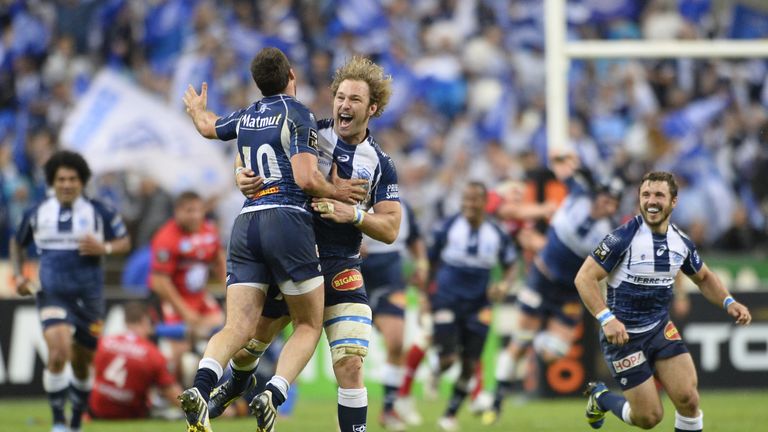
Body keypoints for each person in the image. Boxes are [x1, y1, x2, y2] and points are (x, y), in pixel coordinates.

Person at [208, 55, 401, 432]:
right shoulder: (311, 128)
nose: (344, 105)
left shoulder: (380, 163)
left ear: (372, 108)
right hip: (296, 256)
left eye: (355, 100)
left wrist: (356, 216)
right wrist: (239, 175)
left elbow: (391, 228)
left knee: (350, 363)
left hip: (343, 265)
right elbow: (253, 146)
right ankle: (236, 381)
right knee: (255, 338)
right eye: (340, 97)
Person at [575, 171, 752, 431]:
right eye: (645, 194)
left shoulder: (680, 242)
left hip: (659, 329)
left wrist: (729, 302)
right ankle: (600, 397)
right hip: (624, 338)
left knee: (688, 399)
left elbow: (703, 277)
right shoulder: (622, 238)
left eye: (659, 194)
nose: (651, 200)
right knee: (648, 417)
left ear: (673, 202)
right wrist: (606, 318)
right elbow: (584, 278)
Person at [482, 155, 622, 425]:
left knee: (552, 352)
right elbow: (561, 167)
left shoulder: (607, 235)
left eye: (613, 203)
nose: (608, 206)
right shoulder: (578, 196)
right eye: (606, 199)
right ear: (596, 196)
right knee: (518, 341)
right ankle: (496, 399)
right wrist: (561, 157)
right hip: (540, 279)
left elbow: (604, 271)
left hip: (568, 293)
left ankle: (532, 343)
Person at [10, 150, 130, 432]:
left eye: (72, 179)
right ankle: (59, 422)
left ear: (82, 181)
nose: (66, 184)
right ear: (53, 181)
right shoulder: (39, 211)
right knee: (58, 353)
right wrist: (18, 275)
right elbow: (17, 243)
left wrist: (105, 248)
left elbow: (124, 241)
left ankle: (76, 421)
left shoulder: (99, 211)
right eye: (61, 179)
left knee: (81, 364)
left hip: (89, 298)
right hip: (52, 293)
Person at [421, 181, 518, 432]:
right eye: (465, 199)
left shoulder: (496, 233)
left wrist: (504, 285)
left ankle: (450, 414)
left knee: (470, 364)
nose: (469, 204)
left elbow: (511, 266)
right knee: (449, 358)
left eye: (474, 199)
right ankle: (435, 367)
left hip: (479, 304)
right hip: (447, 298)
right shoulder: (447, 227)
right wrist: (424, 297)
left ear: (485, 203)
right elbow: (429, 263)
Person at [360, 200, 428, 430]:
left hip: (390, 275)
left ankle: (388, 410)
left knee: (397, 342)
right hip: (354, 271)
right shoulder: (344, 196)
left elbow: (414, 239)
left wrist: (421, 263)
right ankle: (348, 412)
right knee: (348, 349)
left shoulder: (401, 206)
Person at [149, 191, 225, 384]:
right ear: (177, 212)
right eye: (189, 211)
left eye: (198, 210)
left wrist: (230, 289)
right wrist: (185, 312)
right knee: (178, 352)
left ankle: (207, 388)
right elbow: (159, 282)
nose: (195, 216)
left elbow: (219, 260)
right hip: (173, 300)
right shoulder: (166, 237)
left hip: (199, 297)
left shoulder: (209, 231)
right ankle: (170, 395)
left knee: (224, 327)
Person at [89, 301, 182, 419]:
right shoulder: (152, 353)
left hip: (97, 412)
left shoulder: (103, 342)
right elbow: (172, 393)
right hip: (130, 415)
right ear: (145, 320)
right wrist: (199, 409)